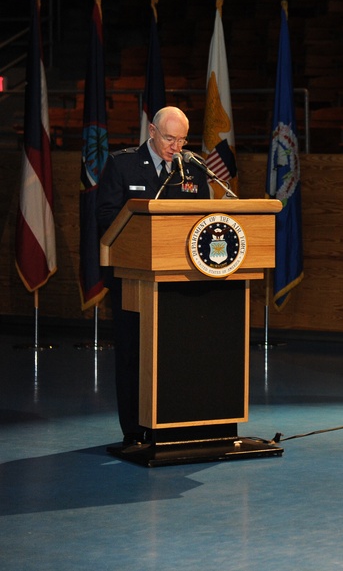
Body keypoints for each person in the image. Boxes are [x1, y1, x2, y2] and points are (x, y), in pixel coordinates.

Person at [96, 106, 211, 449]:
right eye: (169, 138)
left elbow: (203, 216)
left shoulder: (193, 167)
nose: (175, 146)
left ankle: (171, 423)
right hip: (133, 277)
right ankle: (133, 428)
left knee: (175, 352)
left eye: (182, 139)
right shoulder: (122, 163)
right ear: (151, 130)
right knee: (133, 353)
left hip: (180, 278)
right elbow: (105, 217)